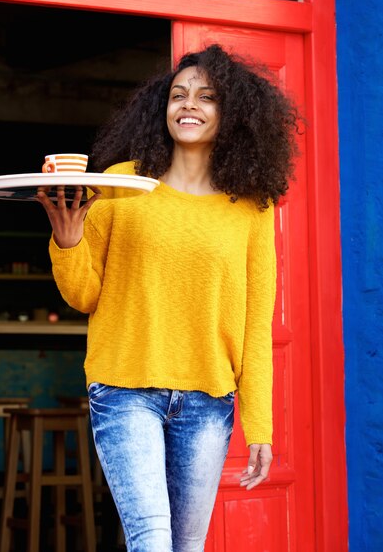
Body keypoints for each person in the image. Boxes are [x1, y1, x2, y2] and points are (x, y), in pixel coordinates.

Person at [37, 43, 300, 552]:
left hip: (207, 402)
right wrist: (67, 241)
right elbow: (83, 295)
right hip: (124, 390)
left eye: (206, 97)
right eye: (178, 95)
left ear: (233, 114)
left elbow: (255, 322)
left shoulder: (251, 208)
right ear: (162, 109)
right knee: (153, 542)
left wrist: (260, 424)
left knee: (186, 546)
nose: (189, 105)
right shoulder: (120, 185)